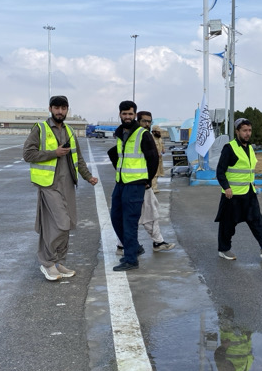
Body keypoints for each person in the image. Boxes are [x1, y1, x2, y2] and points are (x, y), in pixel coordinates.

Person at [23, 95, 98, 281]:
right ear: (50, 109)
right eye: (56, 108)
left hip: (68, 184)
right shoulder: (40, 128)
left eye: (63, 108)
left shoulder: (70, 131)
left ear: (67, 110)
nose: (60, 111)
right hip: (49, 184)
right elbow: (28, 154)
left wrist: (88, 176)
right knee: (59, 224)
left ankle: (58, 262)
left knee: (68, 224)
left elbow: (78, 158)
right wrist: (53, 153)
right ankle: (47, 263)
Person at [215, 118, 262, 261]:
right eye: (244, 130)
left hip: (249, 192)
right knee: (228, 224)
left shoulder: (250, 148)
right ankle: (224, 249)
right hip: (232, 195)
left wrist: (253, 184)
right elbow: (220, 171)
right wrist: (226, 187)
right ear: (237, 131)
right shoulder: (229, 148)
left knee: (256, 220)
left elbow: (248, 171)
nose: (247, 133)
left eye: (249, 130)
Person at [108, 101, 159, 272]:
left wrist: (147, 180)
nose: (127, 117)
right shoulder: (120, 133)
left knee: (129, 222)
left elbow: (153, 159)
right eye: (124, 114)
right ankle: (134, 247)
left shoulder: (142, 134)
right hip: (121, 182)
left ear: (135, 115)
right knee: (115, 217)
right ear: (120, 114)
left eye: (130, 114)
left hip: (135, 184)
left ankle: (131, 259)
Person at [114, 111, 175, 256]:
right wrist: (145, 181)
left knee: (145, 213)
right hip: (136, 184)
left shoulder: (145, 136)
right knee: (144, 214)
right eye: (144, 121)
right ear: (137, 120)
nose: (147, 124)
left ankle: (128, 245)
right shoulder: (134, 136)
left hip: (140, 183)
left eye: (149, 122)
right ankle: (131, 245)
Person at [151, 124, 165, 193]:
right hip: (153, 159)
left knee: (158, 173)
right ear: (154, 132)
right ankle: (153, 188)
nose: (159, 133)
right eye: (158, 132)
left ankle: (155, 187)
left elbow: (162, 145)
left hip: (159, 159)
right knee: (154, 174)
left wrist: (163, 150)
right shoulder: (151, 139)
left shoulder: (159, 138)